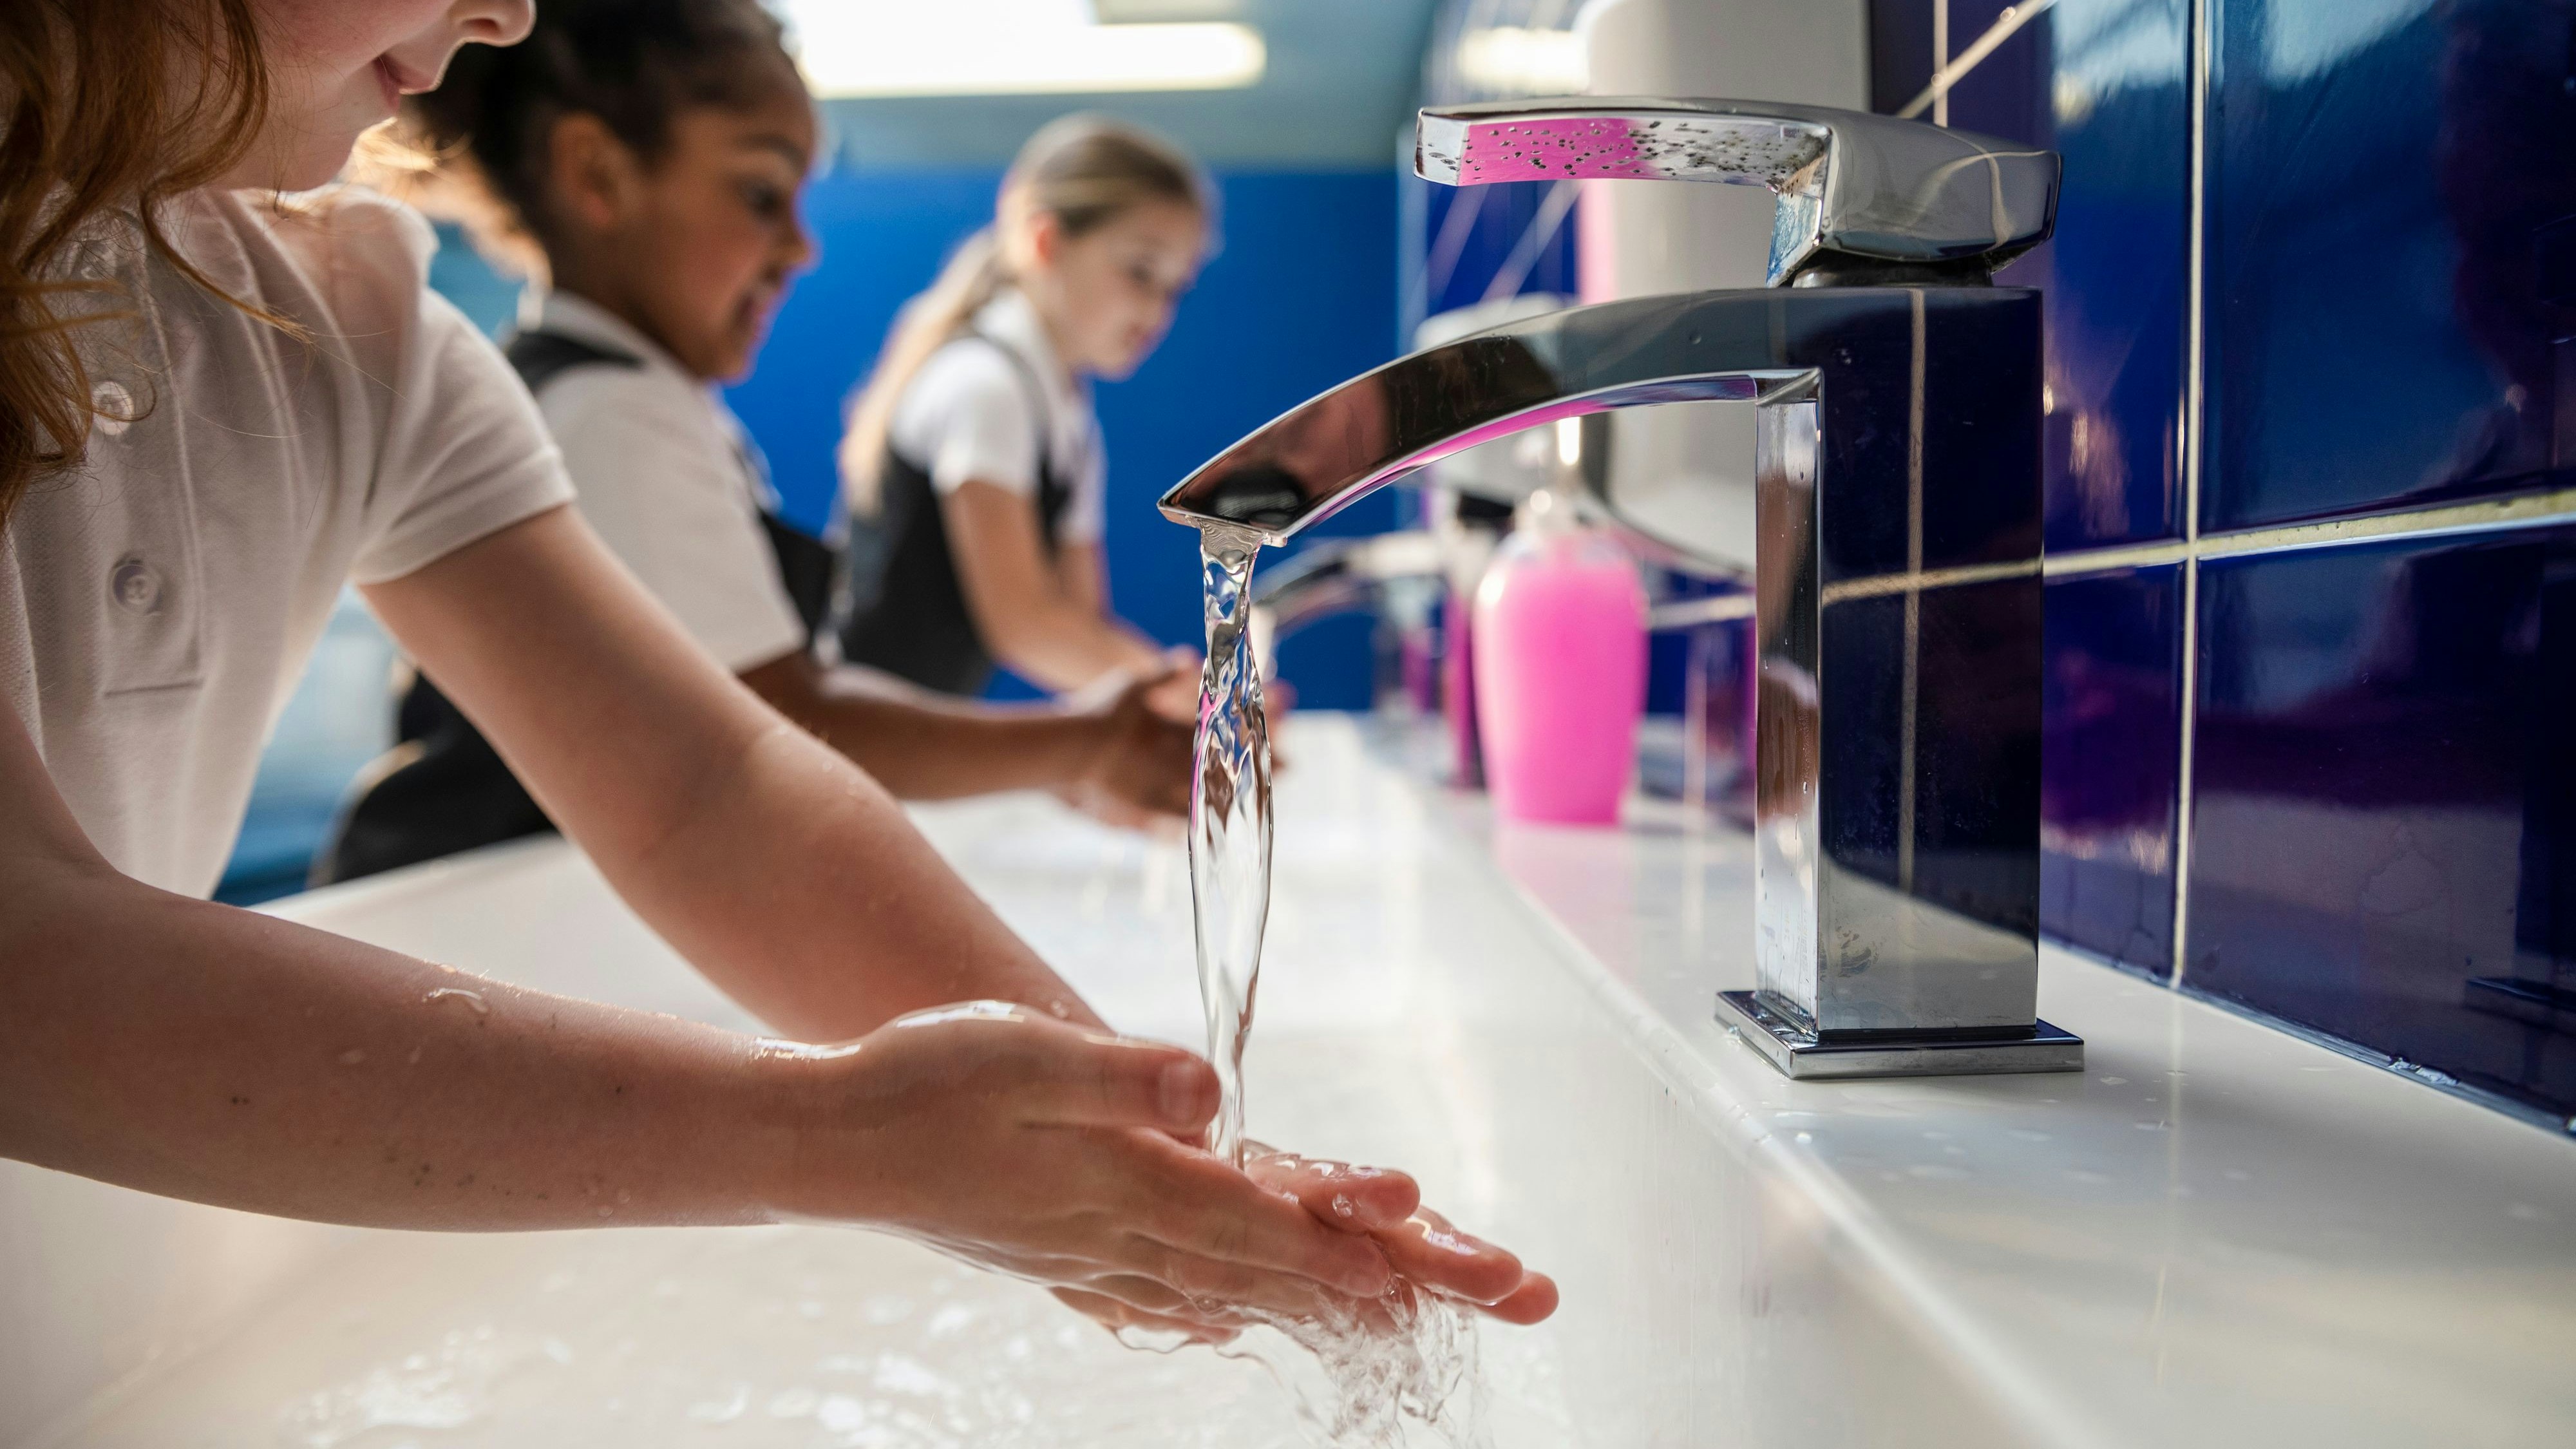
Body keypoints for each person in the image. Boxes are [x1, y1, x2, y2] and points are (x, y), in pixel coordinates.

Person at [0, 0, 1555, 1347]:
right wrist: (832, 1135)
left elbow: (710, 782)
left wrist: (1118, 1131)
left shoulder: (358, 322)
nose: (509, 17)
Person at [311, 0, 1193, 885]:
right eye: (762, 194)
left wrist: (1073, 754)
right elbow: (785, 725)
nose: (802, 246)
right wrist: (1086, 744)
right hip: (477, 909)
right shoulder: (609, 414)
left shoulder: (640, 398)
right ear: (599, 175)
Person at [830, 117, 1204, 704]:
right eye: (1140, 271)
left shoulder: (1068, 413)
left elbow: (1081, 629)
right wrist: (1201, 697)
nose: (1157, 311)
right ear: (1045, 242)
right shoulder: (985, 387)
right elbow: (1025, 626)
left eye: (1176, 287)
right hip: (853, 739)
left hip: (922, 740)